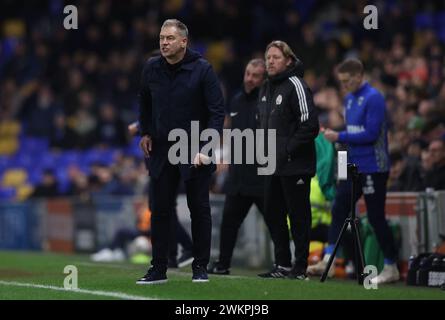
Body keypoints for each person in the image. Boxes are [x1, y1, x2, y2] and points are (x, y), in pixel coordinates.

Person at [136, 19, 225, 284]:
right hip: (162, 149)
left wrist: (207, 148)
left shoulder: (203, 70)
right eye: (162, 38)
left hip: (194, 147)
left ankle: (200, 267)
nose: (164, 43)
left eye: (170, 38)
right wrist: (146, 131)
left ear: (184, 41)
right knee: (160, 210)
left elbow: (216, 113)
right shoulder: (151, 67)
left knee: (199, 208)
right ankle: (159, 269)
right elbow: (144, 102)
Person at [312, 58, 400, 284]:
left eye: (347, 80)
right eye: (341, 81)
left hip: (374, 166)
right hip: (353, 166)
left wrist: (339, 136)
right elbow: (352, 133)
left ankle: (391, 266)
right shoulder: (349, 100)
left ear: (360, 76)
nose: (344, 85)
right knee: (340, 206)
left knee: (375, 217)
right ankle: (329, 260)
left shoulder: (374, 98)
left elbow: (370, 134)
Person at [257, 40, 319, 280]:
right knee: (272, 213)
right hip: (273, 165)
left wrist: (287, 150)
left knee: (298, 215)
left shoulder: (296, 85)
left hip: (295, 165)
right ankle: (282, 264)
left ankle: (300, 266)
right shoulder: (265, 88)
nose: (270, 61)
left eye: (276, 57)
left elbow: (310, 125)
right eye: (268, 57)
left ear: (289, 60)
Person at [207, 59, 266, 275]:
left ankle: (286, 264)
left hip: (261, 175)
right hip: (238, 175)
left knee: (276, 224)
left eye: (255, 75)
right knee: (229, 223)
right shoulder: (237, 100)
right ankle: (223, 264)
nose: (249, 78)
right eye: (248, 73)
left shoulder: (267, 102)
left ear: (263, 79)